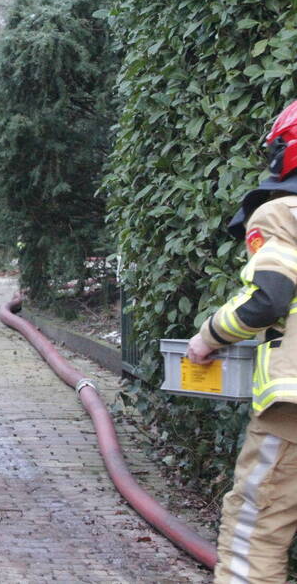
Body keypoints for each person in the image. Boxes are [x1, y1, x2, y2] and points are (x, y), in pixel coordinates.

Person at [186, 100, 297, 583]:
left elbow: (268, 299)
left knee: (256, 524)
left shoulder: (283, 215)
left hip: (291, 413)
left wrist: (208, 336)